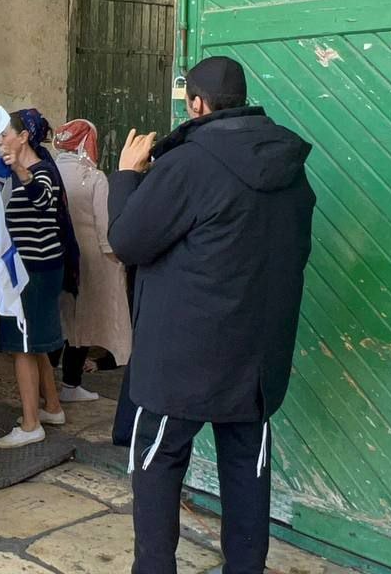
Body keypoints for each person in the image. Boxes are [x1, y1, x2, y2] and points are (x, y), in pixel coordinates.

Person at [109, 56, 316, 574]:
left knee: (158, 465)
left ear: (197, 104)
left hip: (182, 360)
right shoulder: (290, 167)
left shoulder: (188, 164)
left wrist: (127, 176)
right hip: (256, 360)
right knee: (247, 468)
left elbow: (127, 241)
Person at [0, 109, 71, 448]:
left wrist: (20, 170)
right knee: (34, 344)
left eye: (5, 133)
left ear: (23, 137)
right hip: (32, 270)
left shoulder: (42, 171)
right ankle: (52, 407)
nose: (0, 140)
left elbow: (42, 201)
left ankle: (30, 424)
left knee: (22, 346)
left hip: (34, 272)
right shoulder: (17, 174)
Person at [53, 119, 132, 374]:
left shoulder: (49, 171)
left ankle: (48, 378)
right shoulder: (93, 177)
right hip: (89, 259)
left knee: (61, 317)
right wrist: (115, 258)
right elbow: (103, 224)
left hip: (54, 255)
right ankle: (71, 382)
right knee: (84, 320)